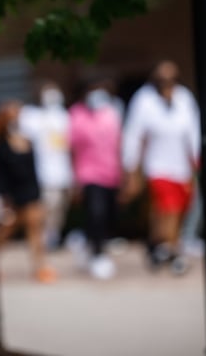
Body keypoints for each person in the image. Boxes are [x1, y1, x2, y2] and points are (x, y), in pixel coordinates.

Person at [122, 61, 200, 275]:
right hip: (157, 165)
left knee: (174, 210)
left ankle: (159, 246)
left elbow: (192, 132)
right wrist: (131, 170)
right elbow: (134, 135)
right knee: (168, 207)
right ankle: (174, 251)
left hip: (181, 166)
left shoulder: (184, 98)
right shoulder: (144, 100)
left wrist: (196, 161)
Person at [0, 101, 56, 283]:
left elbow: (34, 171)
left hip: (31, 195)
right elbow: (0, 176)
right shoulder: (1, 146)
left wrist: (38, 195)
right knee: (3, 234)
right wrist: (3, 199)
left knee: (36, 233)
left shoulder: (28, 141)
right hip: (12, 198)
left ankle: (40, 267)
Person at [69, 78, 123, 280]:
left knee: (108, 216)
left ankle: (88, 243)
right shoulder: (77, 115)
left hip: (110, 174)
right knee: (96, 213)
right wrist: (74, 179)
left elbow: (118, 144)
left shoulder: (110, 114)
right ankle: (97, 254)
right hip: (88, 174)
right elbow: (72, 148)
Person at [19, 81, 73, 250]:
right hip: (44, 173)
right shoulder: (35, 117)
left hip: (63, 173)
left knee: (59, 209)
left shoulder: (64, 117)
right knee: (47, 206)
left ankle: (52, 236)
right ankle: (42, 238)